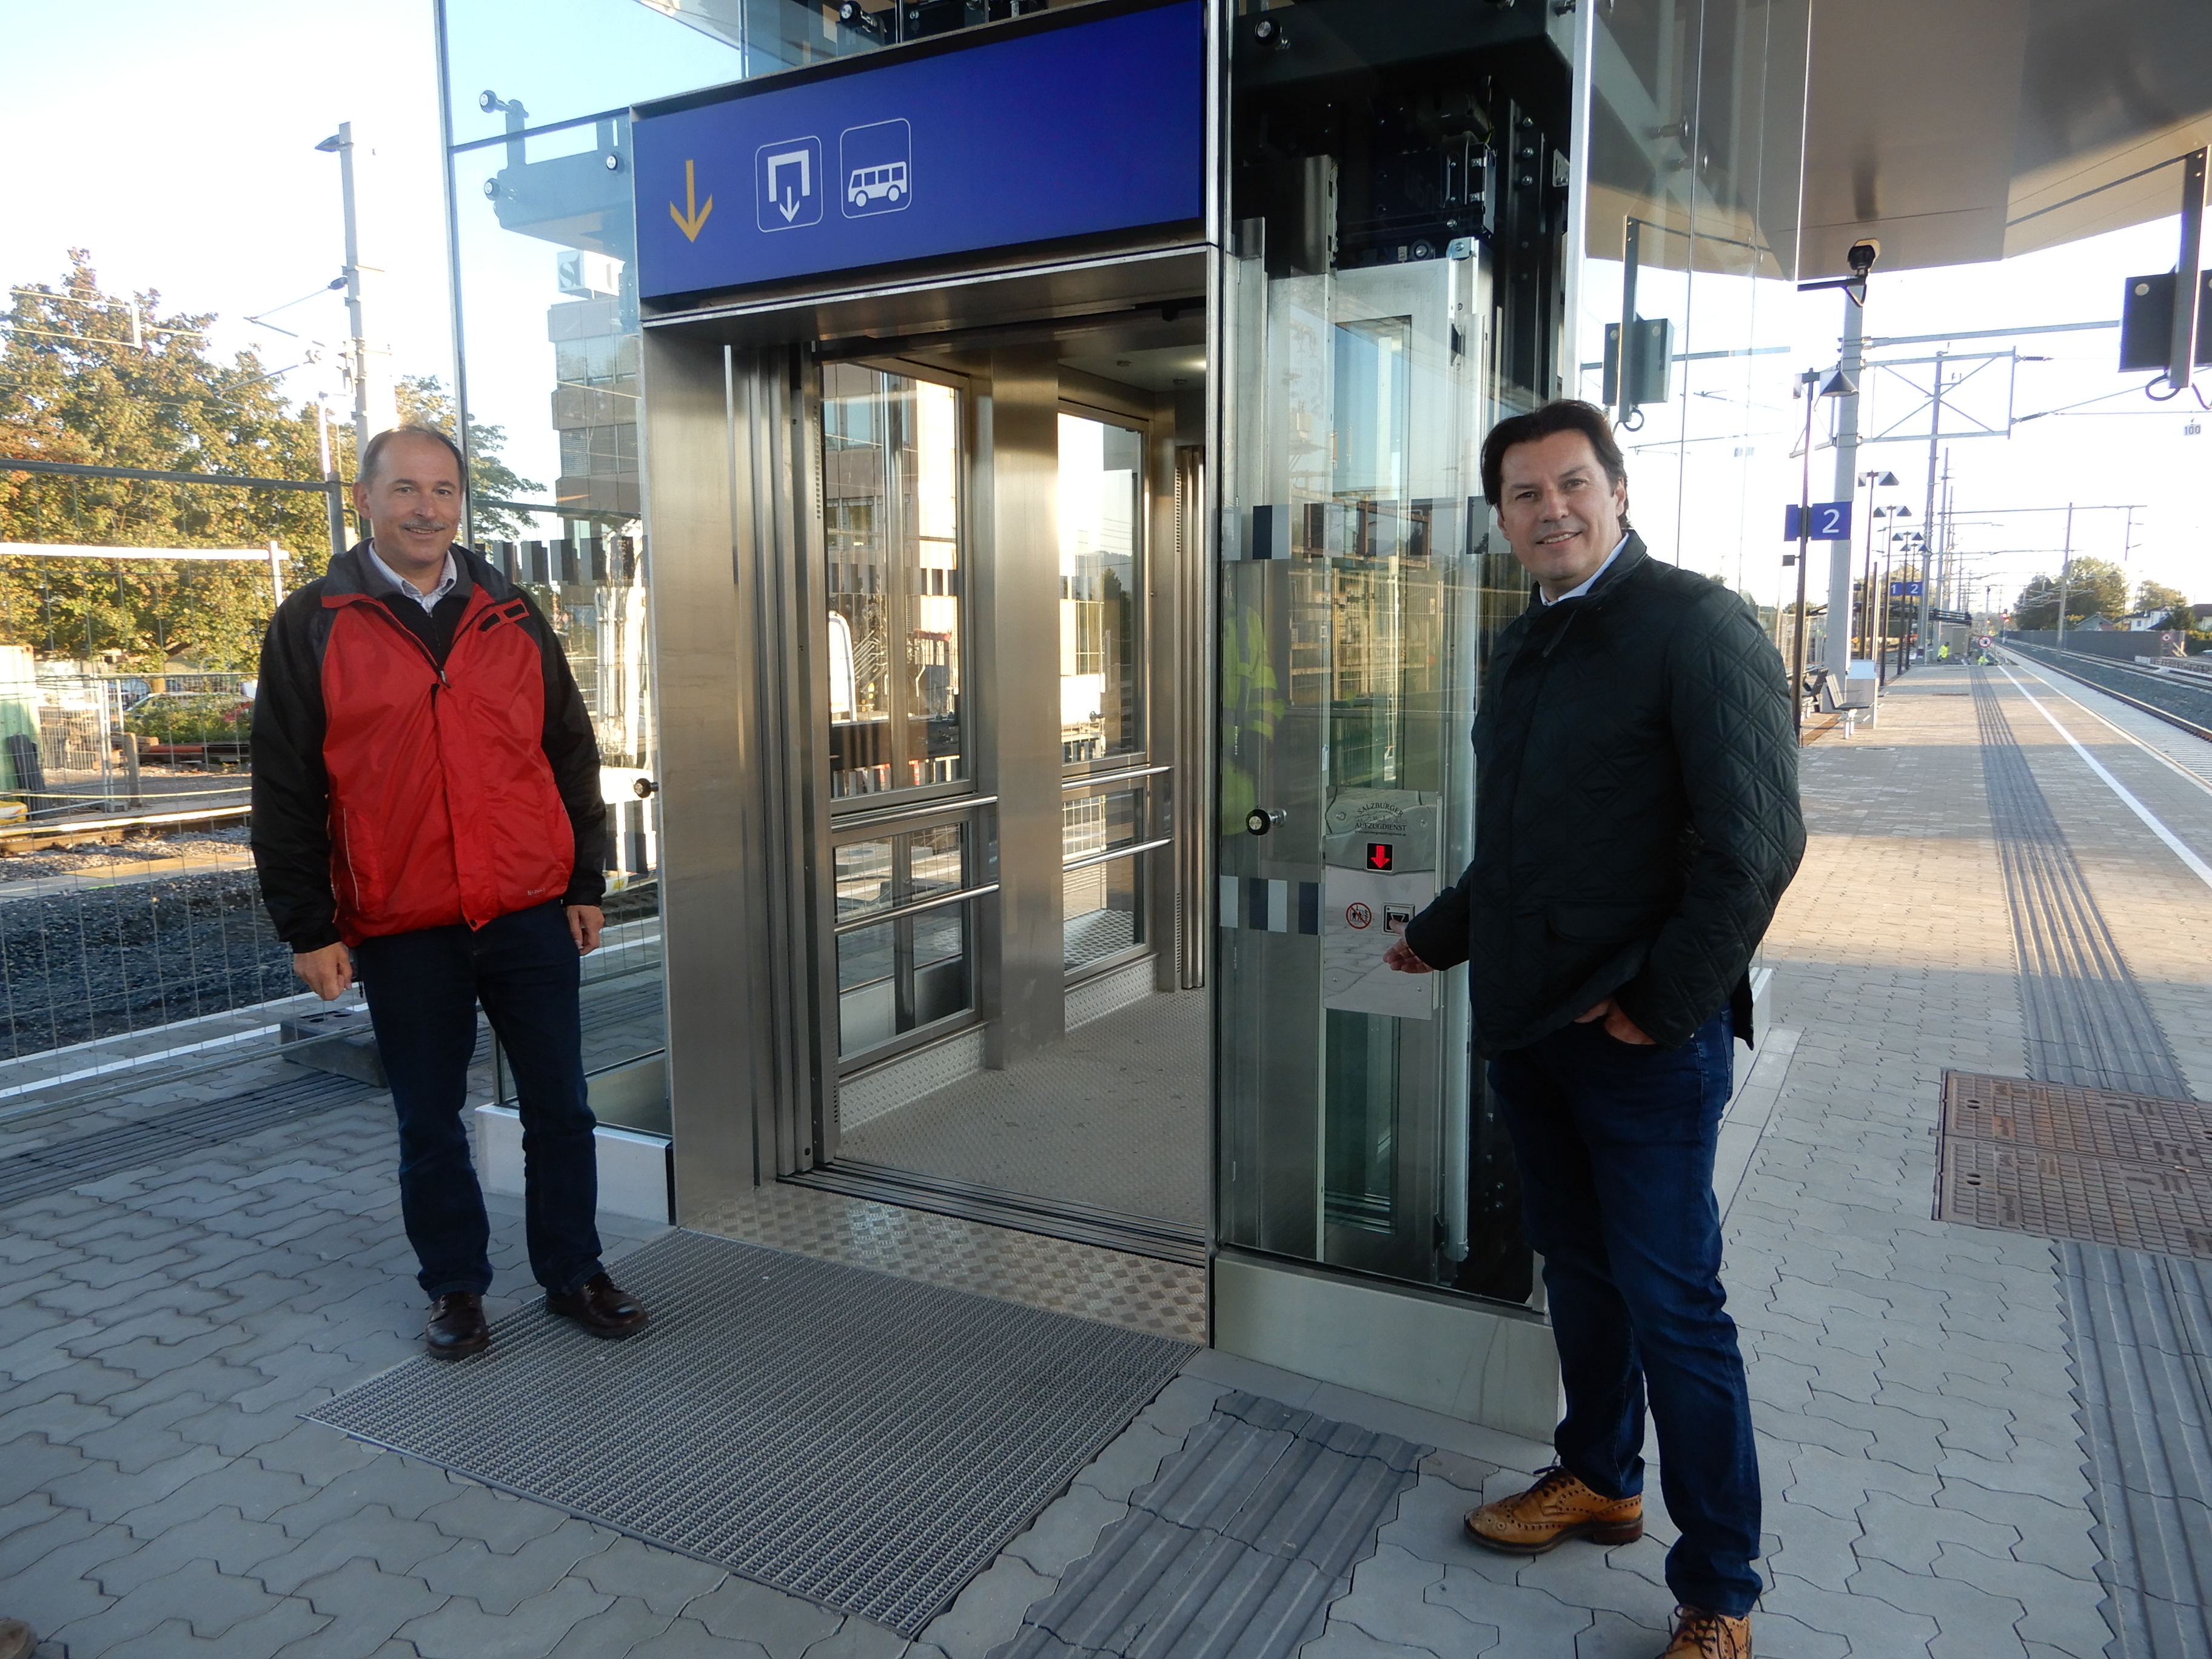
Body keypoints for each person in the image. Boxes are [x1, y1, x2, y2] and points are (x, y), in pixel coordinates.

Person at [1386, 400, 1803, 1659]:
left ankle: (1719, 1590)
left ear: (1618, 492)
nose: (1551, 508)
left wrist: (1660, 1007)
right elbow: (1520, 846)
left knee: (1676, 1305)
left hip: (1639, 1043)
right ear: (1502, 518)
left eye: (1572, 483)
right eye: (1525, 493)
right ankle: (1601, 1477)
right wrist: (1437, 936)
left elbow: (1756, 847)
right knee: (1578, 1272)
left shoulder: (1695, 624)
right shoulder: (1524, 645)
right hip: (1533, 1030)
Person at [252, 424, 649, 1360]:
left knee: (562, 1108)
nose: (426, 509)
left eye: (442, 490)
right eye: (405, 490)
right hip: (404, 924)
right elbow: (286, 786)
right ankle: (456, 1288)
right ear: (366, 500)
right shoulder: (313, 622)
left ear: (459, 502)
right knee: (428, 1120)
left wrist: (584, 880)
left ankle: (574, 1272)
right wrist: (308, 927)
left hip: (527, 910)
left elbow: (566, 748)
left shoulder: (510, 612)